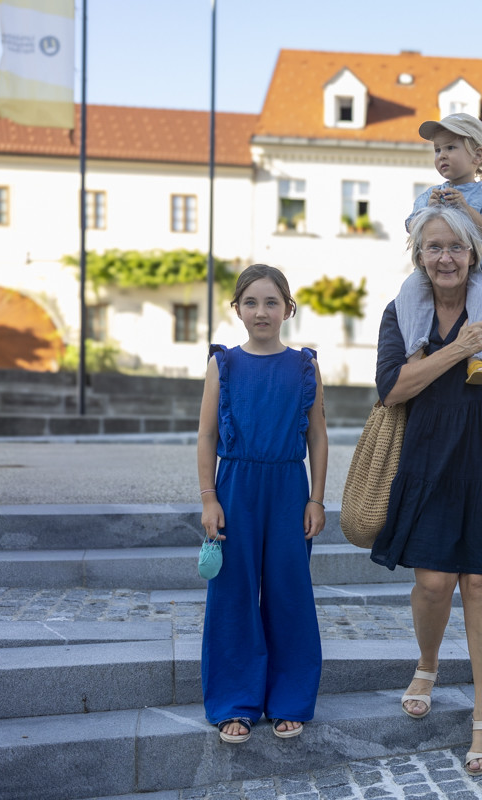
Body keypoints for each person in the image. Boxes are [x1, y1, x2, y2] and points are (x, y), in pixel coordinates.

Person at [371, 204, 482, 777]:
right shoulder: (402, 314)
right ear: (420, 255)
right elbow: (392, 389)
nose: (446, 257)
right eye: (434, 247)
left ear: (475, 255)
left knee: (479, 582)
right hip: (427, 462)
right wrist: (461, 347)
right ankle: (427, 661)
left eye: (456, 248)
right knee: (433, 581)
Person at [196, 263, 328, 744]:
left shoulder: (304, 364)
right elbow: (207, 434)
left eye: (272, 302)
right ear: (237, 309)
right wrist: (209, 498)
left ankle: (288, 699)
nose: (262, 311)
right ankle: (235, 702)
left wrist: (316, 498)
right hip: (234, 488)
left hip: (289, 490)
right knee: (232, 593)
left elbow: (317, 434)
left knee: (288, 593)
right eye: (251, 302)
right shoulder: (223, 364)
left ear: (288, 309)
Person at [397, 112, 482, 386]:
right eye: (437, 149)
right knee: (410, 290)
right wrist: (427, 209)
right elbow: (412, 227)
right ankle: (416, 353)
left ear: (477, 156)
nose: (441, 155)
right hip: (435, 270)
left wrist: (465, 208)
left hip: (480, 269)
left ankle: (477, 358)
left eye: (451, 147)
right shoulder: (429, 194)